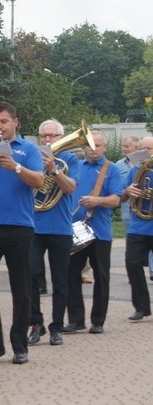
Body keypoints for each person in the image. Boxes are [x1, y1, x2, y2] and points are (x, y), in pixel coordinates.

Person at [0, 102, 44, 365]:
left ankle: (20, 344)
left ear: (16, 122)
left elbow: (39, 181)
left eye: (4, 122)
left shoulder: (28, 149)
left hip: (20, 226)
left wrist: (15, 166)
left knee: (22, 286)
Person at [65, 130, 122, 335]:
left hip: (100, 231)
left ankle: (98, 320)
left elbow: (116, 199)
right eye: (89, 145)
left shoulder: (111, 168)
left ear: (104, 147)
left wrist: (97, 201)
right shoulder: (77, 167)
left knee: (101, 276)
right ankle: (76, 320)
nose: (93, 149)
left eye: (97, 145)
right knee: (70, 274)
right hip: (75, 229)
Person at [28, 120, 78, 347]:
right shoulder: (31, 158)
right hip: (33, 227)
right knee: (31, 276)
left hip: (59, 228)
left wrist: (53, 170)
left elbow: (70, 188)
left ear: (62, 136)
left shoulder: (70, 159)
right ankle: (35, 323)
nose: (47, 140)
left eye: (52, 136)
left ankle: (56, 327)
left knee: (60, 281)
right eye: (43, 136)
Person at [120, 135, 153, 322]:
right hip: (138, 226)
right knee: (132, 264)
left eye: (149, 149)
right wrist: (127, 191)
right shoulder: (136, 171)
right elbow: (122, 196)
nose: (145, 153)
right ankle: (141, 307)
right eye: (141, 149)